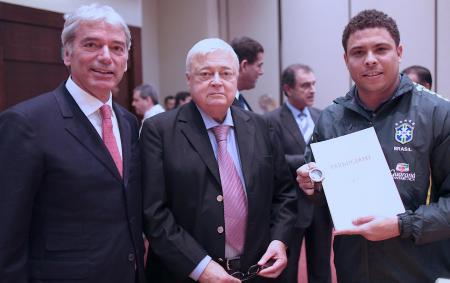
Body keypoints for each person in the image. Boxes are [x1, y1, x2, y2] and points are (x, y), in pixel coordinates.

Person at [297, 9, 450, 283]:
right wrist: (312, 185)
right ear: (346, 60)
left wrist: (401, 225)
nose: (370, 60)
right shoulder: (331, 118)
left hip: (421, 272)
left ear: (399, 52)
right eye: (358, 52)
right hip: (353, 271)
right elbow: (322, 194)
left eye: (381, 49)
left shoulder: (438, 114)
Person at [0, 4, 145, 283]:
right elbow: (6, 237)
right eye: (92, 44)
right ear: (67, 54)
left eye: (117, 48)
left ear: (126, 59)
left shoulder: (128, 123)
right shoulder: (25, 123)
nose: (106, 57)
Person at [141, 38, 297, 283]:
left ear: (236, 78)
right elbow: (154, 212)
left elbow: (285, 194)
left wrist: (279, 240)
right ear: (188, 79)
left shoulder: (262, 127)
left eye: (225, 73)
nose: (216, 81)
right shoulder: (159, 131)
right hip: (185, 274)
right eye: (205, 73)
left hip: (256, 271)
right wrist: (200, 267)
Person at [266, 64, 332, 283]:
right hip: (290, 207)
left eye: (313, 84)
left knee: (321, 267)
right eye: (305, 85)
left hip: (321, 205)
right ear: (288, 89)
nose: (312, 90)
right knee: (288, 269)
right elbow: (271, 162)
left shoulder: (322, 116)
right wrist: (311, 162)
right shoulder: (271, 120)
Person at [230, 36, 264, 111]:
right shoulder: (225, 106)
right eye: (259, 66)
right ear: (244, 65)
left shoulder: (239, 100)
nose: (261, 72)